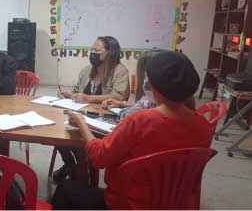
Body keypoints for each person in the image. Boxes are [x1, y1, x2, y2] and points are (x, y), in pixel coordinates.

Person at [51, 51, 213, 210]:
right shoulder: (203, 125)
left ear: (150, 85)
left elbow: (99, 159)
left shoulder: (140, 121)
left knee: (65, 189)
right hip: (176, 205)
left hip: (129, 204)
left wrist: (82, 123)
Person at [53, 36, 130, 182]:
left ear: (110, 53)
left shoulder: (120, 71)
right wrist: (68, 95)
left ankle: (76, 169)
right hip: (82, 115)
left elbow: (118, 97)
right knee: (57, 134)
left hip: (105, 119)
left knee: (78, 139)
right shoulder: (87, 70)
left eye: (97, 50)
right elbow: (78, 92)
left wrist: (88, 98)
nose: (92, 53)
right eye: (91, 50)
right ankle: (73, 167)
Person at [101, 49, 196, 119]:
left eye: (146, 75)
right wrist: (122, 103)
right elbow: (143, 107)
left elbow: (131, 116)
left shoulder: (145, 117)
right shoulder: (195, 116)